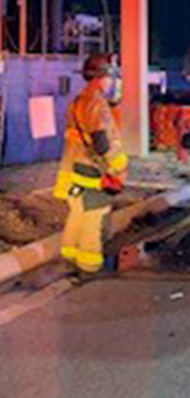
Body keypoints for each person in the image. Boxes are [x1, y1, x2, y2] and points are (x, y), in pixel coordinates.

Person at [54, 53, 128, 281]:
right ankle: (89, 267)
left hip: (77, 169)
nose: (111, 82)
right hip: (95, 173)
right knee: (94, 219)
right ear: (100, 78)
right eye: (109, 77)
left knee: (77, 215)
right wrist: (119, 165)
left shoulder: (77, 101)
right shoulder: (96, 104)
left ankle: (69, 259)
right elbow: (101, 141)